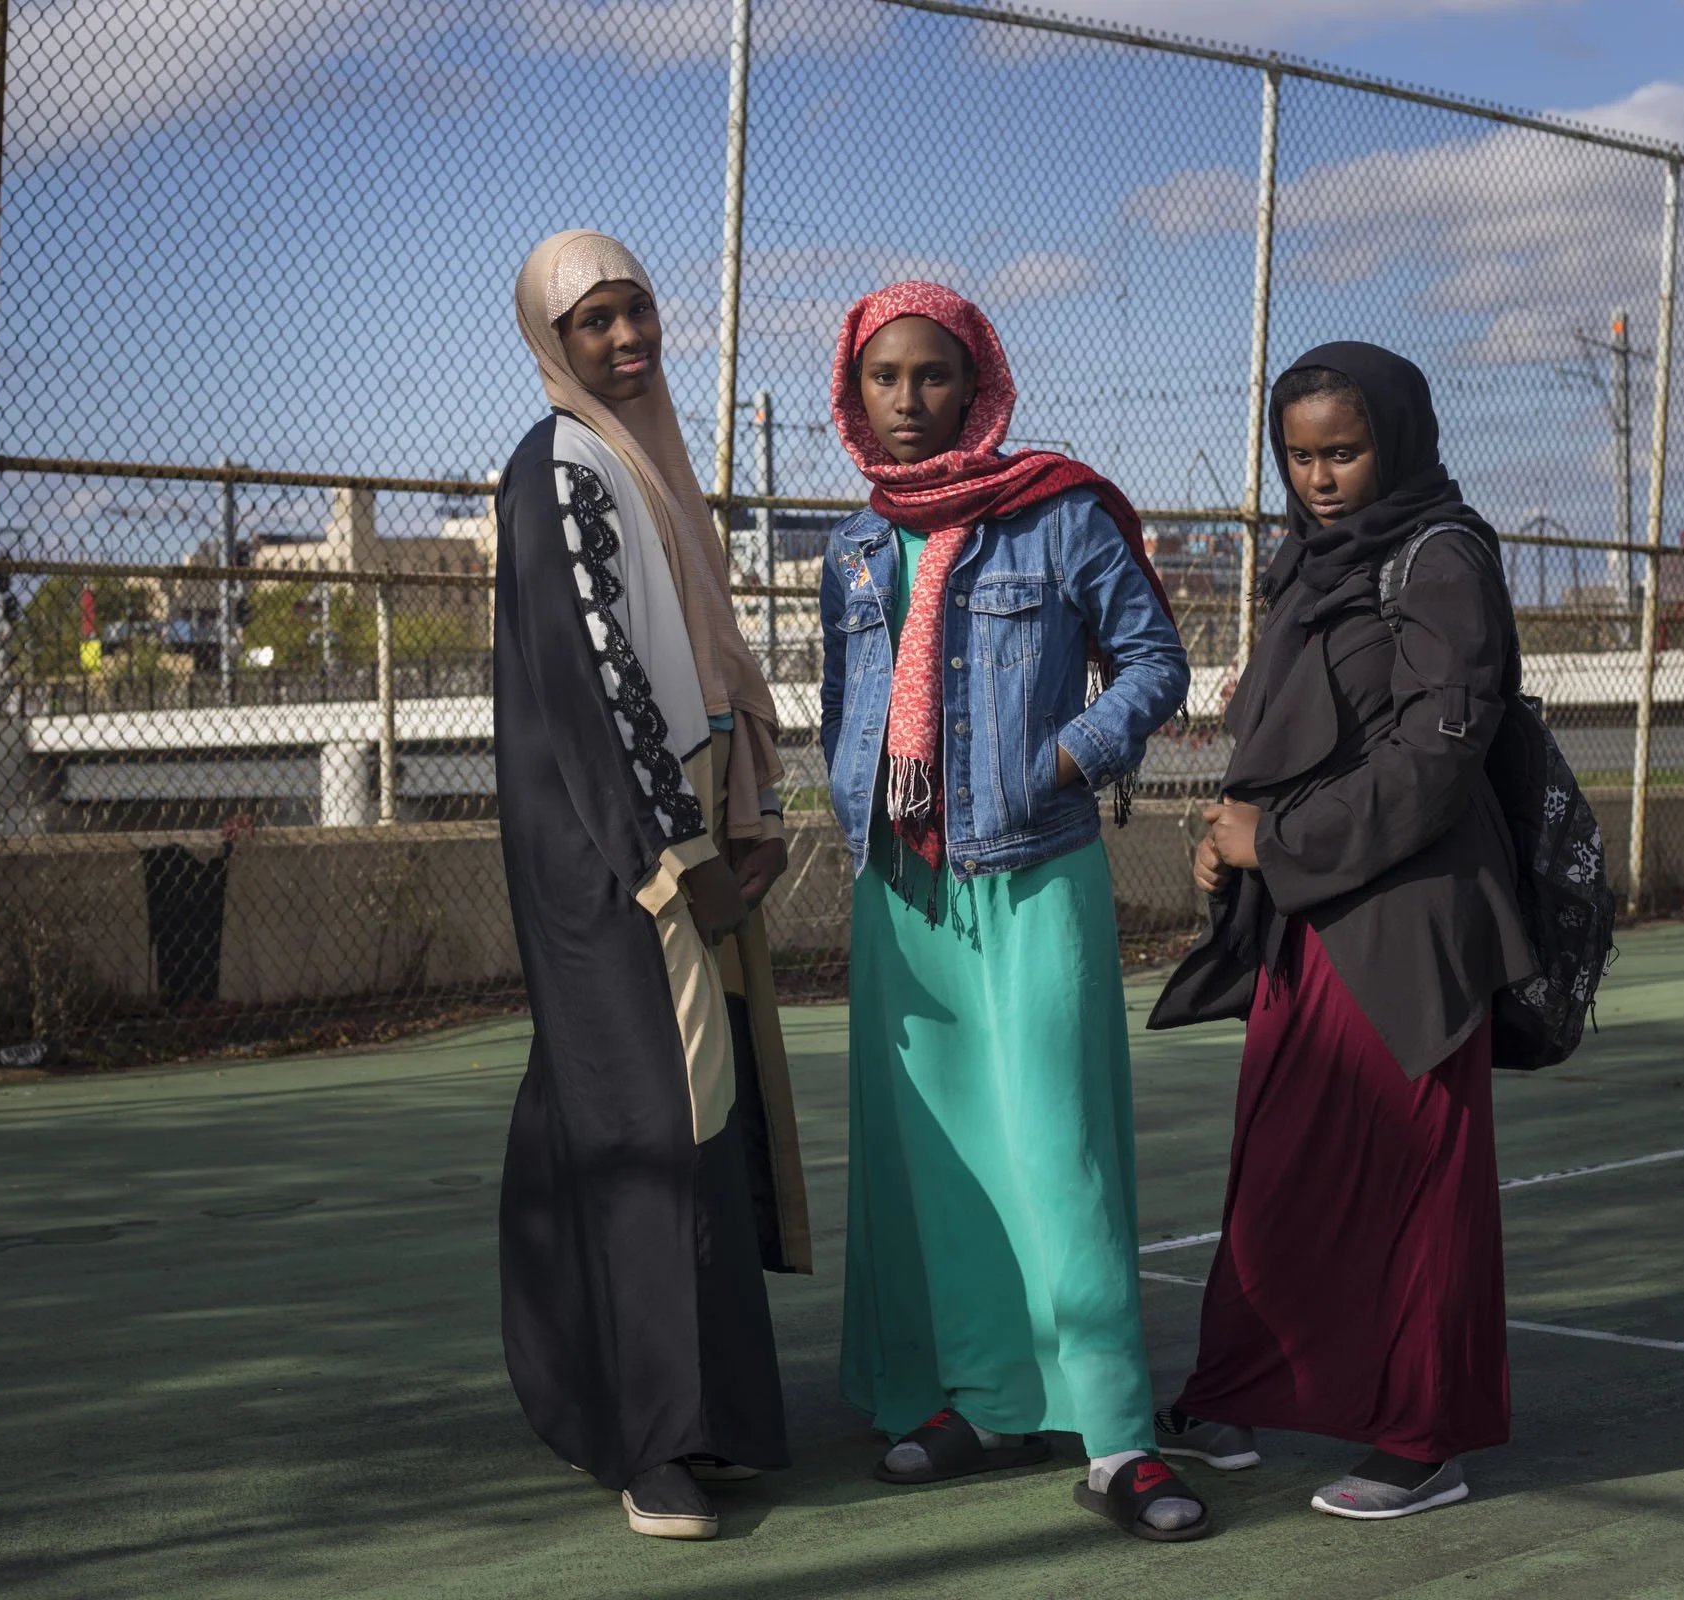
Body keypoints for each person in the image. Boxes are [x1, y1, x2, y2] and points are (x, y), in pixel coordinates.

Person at [818, 281, 1208, 1543]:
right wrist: (857, 798)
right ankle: (984, 1399)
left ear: (979, 378)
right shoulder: (855, 543)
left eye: (934, 375)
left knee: (1061, 1145)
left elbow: (1155, 661)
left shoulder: (1063, 511)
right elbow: (845, 694)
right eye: (886, 379)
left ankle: (1117, 1436)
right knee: (943, 1156)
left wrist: (1061, 760)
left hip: (1034, 868)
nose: (911, 401)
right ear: (855, 396)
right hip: (905, 884)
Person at [1148, 341, 1532, 1521]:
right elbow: (1289, 734)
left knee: (1414, 1180)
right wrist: (1231, 836)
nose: (1319, 477)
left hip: (1409, 920)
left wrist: (1281, 840)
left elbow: (1434, 758)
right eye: (1299, 455)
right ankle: (1237, 1392)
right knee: (1281, 1162)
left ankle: (1424, 1443)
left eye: (1344, 451)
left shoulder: (1442, 556)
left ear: (1399, 441)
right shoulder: (1305, 563)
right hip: (1311, 917)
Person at [491, 230, 812, 1542]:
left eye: (639, 314)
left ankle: (690, 1408)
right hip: (613, 854)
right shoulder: (556, 468)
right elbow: (593, 677)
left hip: (669, 826)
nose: (628, 341)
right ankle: (649, 1437)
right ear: (550, 344)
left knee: (686, 1102)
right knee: (652, 1116)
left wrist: (749, 801)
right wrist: (668, 847)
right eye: (596, 324)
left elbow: (698, 655)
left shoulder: (644, 461)